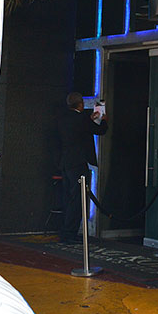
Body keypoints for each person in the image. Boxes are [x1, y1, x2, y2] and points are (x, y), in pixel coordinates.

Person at [57, 92, 108, 240]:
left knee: (68, 198)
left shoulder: (63, 118)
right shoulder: (82, 119)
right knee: (78, 199)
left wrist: (89, 119)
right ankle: (70, 232)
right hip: (78, 163)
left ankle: (65, 230)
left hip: (65, 162)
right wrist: (104, 120)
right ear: (81, 104)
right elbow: (100, 130)